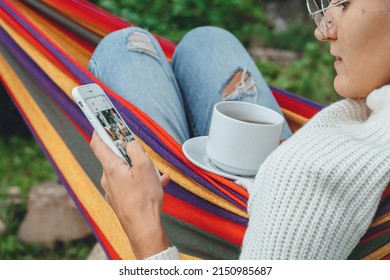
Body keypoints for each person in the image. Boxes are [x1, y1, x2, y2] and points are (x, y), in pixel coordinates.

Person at [88, 0, 390, 259]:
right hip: (255, 189)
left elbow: (309, 187)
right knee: (207, 42)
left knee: (121, 47)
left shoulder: (309, 174)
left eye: (345, 4)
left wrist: (145, 233)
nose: (323, 31)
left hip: (214, 241)